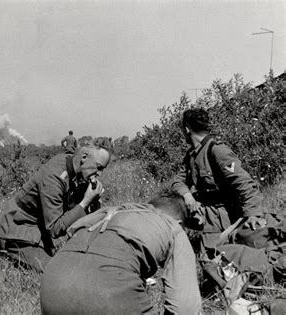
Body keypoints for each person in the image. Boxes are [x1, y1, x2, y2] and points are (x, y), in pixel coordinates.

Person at [40, 193, 202, 314]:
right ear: (179, 222)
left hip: (51, 287)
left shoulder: (109, 212)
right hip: (106, 294)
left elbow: (72, 230)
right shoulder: (172, 227)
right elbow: (185, 307)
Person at [0, 140, 111, 272]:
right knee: (57, 272)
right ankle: (4, 251)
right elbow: (55, 229)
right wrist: (85, 202)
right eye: (99, 167)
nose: (100, 174)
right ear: (84, 157)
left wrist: (94, 203)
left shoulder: (73, 168)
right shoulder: (54, 178)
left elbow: (71, 210)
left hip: (39, 231)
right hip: (20, 230)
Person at [171, 108, 265, 249]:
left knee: (212, 259)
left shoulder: (217, 151)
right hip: (205, 208)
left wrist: (253, 215)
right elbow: (177, 181)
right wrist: (187, 195)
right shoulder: (191, 155)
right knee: (167, 208)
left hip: (223, 214)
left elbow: (244, 183)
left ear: (187, 129)